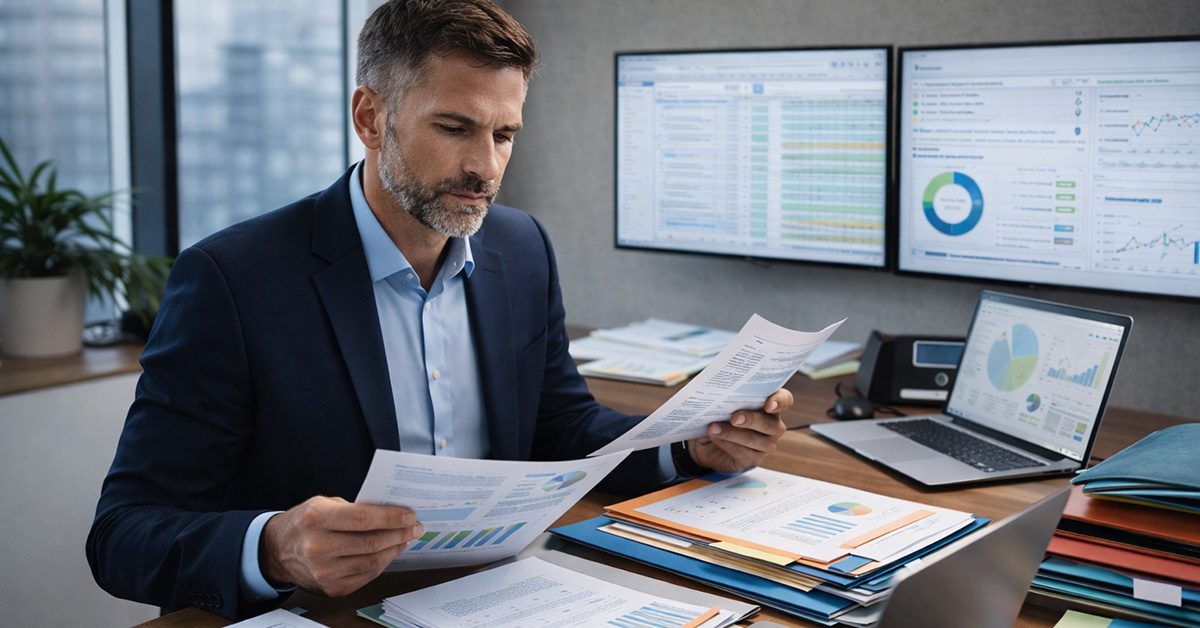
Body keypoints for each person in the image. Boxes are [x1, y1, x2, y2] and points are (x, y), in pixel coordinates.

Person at [86, 0, 792, 620]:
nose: (485, 167)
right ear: (371, 117)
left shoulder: (521, 247)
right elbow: (122, 535)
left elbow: (559, 425)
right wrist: (273, 547)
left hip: (496, 600)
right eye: (455, 128)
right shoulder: (232, 280)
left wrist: (685, 449)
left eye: (504, 134)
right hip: (328, 613)